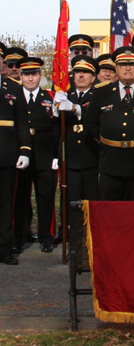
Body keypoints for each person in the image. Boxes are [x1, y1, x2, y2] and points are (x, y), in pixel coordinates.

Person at [84, 47, 134, 201]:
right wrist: (103, 140)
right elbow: (90, 121)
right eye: (123, 64)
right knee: (111, 210)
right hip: (110, 161)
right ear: (116, 68)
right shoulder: (102, 91)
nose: (128, 68)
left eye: (132, 64)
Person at [13, 57, 58, 253]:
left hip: (45, 153)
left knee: (46, 197)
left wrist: (57, 154)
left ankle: (46, 236)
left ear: (40, 75)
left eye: (34, 74)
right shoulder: (13, 97)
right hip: (21, 154)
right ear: (21, 76)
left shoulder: (51, 97)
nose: (30, 79)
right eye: (26, 75)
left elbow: (57, 128)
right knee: (21, 197)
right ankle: (21, 235)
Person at [53, 56, 100, 206]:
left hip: (92, 155)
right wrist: (55, 110)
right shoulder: (65, 96)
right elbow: (55, 126)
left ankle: (90, 229)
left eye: (85, 72)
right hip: (69, 156)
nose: (80, 75)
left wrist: (74, 108)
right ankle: (68, 227)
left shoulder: (99, 96)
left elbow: (95, 114)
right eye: (77, 72)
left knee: (91, 199)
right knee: (69, 198)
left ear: (93, 78)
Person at [0, 42, 31, 265]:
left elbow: (22, 122)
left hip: (6, 153)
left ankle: (4, 248)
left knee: (5, 204)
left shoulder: (13, 88)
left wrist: (25, 150)